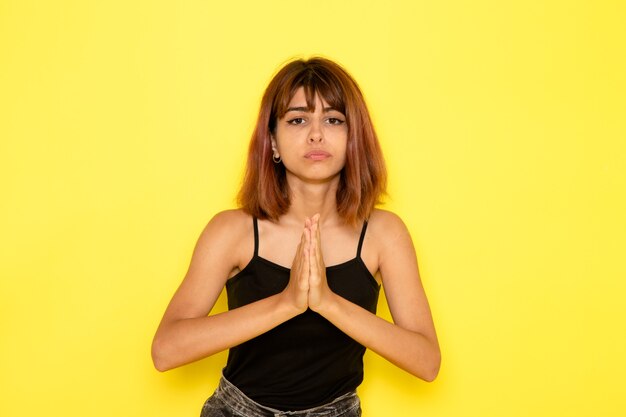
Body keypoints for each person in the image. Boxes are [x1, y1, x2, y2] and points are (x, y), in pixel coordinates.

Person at [151, 57, 441, 417]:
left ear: (354, 139)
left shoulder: (384, 234)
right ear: (272, 141)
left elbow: (426, 362)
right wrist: (287, 302)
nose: (315, 134)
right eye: (298, 119)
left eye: (333, 120)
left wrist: (327, 302)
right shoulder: (231, 230)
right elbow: (166, 350)